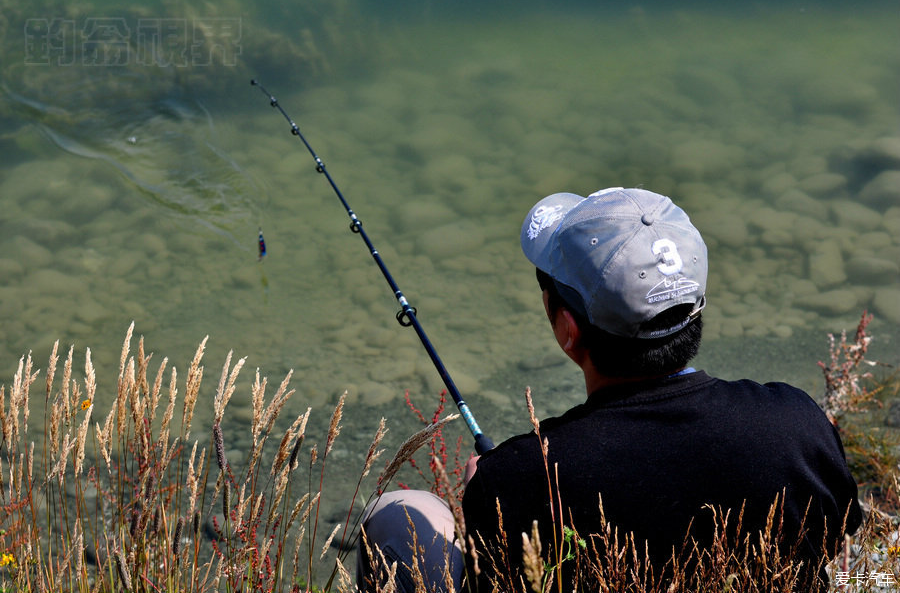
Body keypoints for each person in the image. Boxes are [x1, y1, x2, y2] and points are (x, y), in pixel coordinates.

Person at [358, 187, 862, 592]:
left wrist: (485, 494)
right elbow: (839, 537)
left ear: (568, 329)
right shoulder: (797, 422)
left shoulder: (519, 479)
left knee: (400, 513)